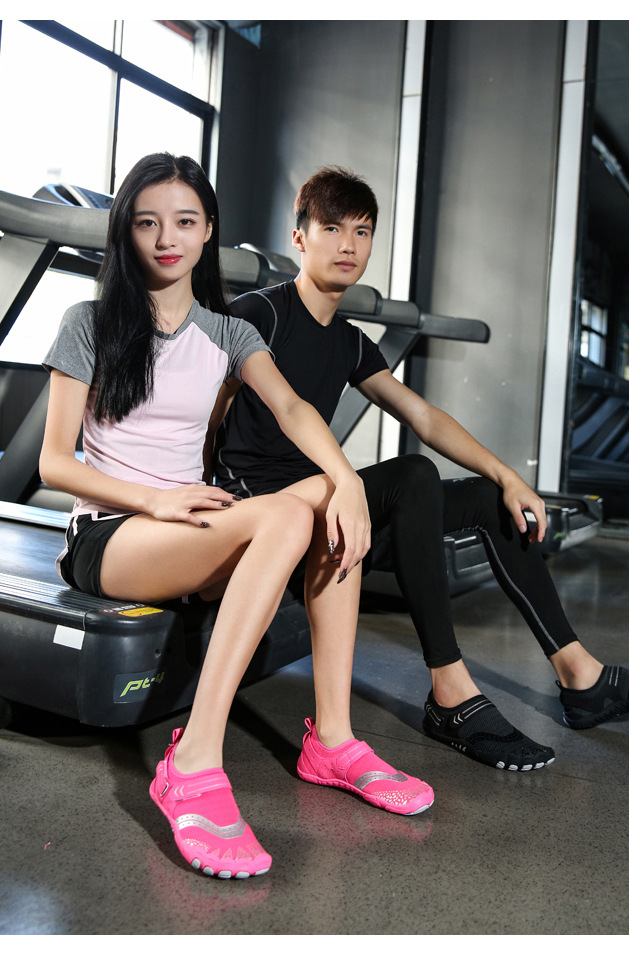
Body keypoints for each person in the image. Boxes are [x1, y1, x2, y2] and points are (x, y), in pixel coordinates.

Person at [209, 165, 629, 774]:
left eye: (361, 232)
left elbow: (423, 415)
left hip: (326, 509)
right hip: (263, 511)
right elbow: (210, 408)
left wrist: (508, 475)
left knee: (492, 501)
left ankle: (582, 677)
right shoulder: (260, 312)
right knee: (412, 475)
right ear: (299, 237)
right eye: (331, 229)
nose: (348, 245)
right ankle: (450, 692)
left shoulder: (350, 341)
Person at [38, 154, 433, 881]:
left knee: (324, 502)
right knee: (285, 517)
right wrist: (155, 499)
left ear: (208, 230)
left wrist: (345, 479)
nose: (168, 238)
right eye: (148, 222)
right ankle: (192, 760)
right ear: (126, 231)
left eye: (185, 221)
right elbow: (54, 464)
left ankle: (334, 739)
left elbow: (291, 407)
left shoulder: (228, 333)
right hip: (113, 534)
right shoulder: (88, 323)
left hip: (192, 531)